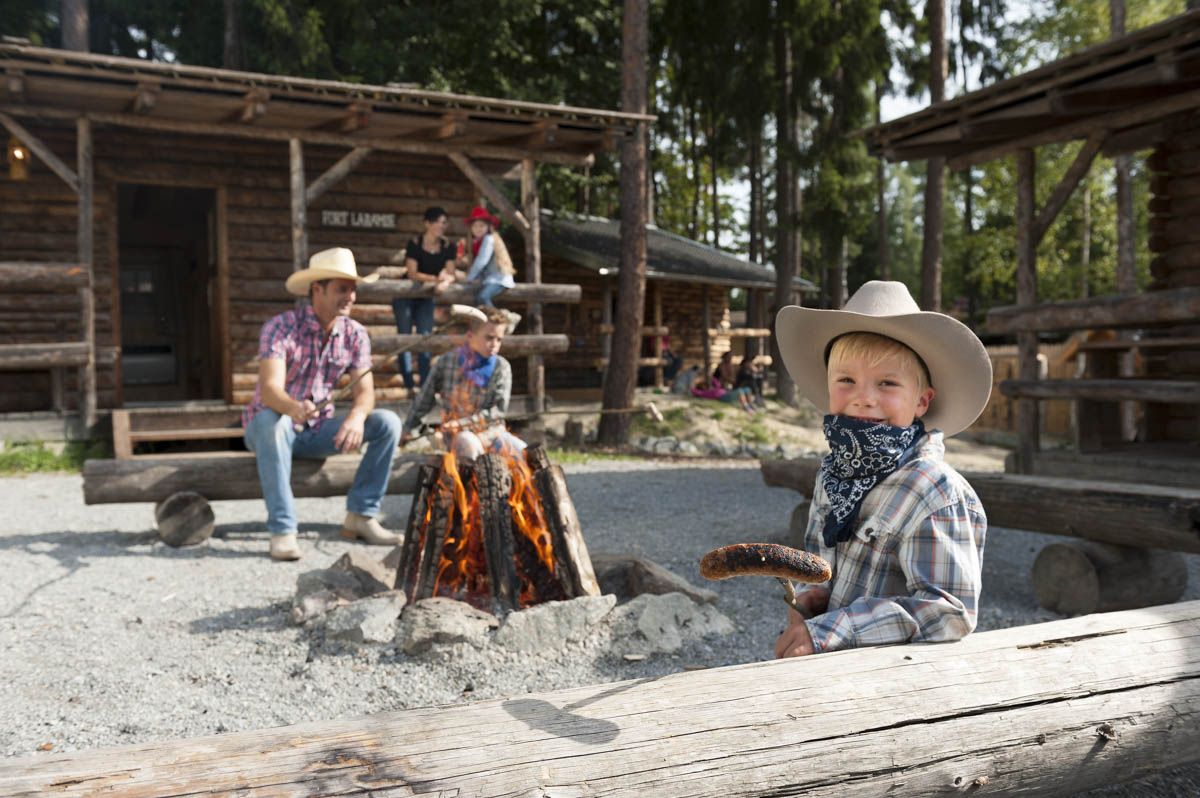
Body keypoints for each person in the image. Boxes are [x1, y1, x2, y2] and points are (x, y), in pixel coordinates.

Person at [771, 280, 992, 658]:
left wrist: (834, 629)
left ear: (922, 400)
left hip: (896, 684)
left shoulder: (935, 492)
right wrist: (805, 607)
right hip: (830, 666)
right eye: (846, 381)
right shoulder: (833, 475)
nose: (864, 397)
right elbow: (821, 567)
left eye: (887, 383)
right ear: (828, 389)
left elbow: (948, 611)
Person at [242, 248, 404, 562]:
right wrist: (292, 407)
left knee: (387, 423)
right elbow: (271, 390)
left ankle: (361, 516)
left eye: (354, 288)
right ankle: (283, 531)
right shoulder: (279, 327)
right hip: (273, 427)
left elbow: (365, 392)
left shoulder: (355, 334)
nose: (351, 296)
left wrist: (357, 417)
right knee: (271, 422)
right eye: (343, 288)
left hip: (318, 430)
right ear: (318, 289)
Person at [399, 306, 525, 460]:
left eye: (499, 339)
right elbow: (424, 399)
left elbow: (497, 411)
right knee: (467, 442)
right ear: (471, 335)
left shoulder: (501, 366)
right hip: (456, 436)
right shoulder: (446, 362)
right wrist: (408, 429)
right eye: (489, 337)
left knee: (524, 452)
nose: (494, 344)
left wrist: (462, 423)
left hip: (492, 433)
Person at [391, 207, 457, 392]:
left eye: (444, 223)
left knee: (425, 338)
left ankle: (426, 385)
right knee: (405, 338)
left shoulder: (448, 247)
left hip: (426, 298)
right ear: (427, 223)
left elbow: (451, 272)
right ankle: (409, 385)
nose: (441, 226)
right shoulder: (414, 243)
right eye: (438, 222)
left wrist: (445, 281)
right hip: (405, 296)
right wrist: (436, 280)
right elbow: (412, 273)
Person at [457, 206, 519, 328]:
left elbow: (481, 262)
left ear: (488, 226)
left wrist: (469, 278)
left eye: (481, 226)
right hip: (491, 278)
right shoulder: (477, 242)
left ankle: (503, 320)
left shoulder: (489, 239)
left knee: (482, 296)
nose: (478, 229)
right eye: (475, 226)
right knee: (478, 297)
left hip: (499, 278)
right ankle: (492, 321)